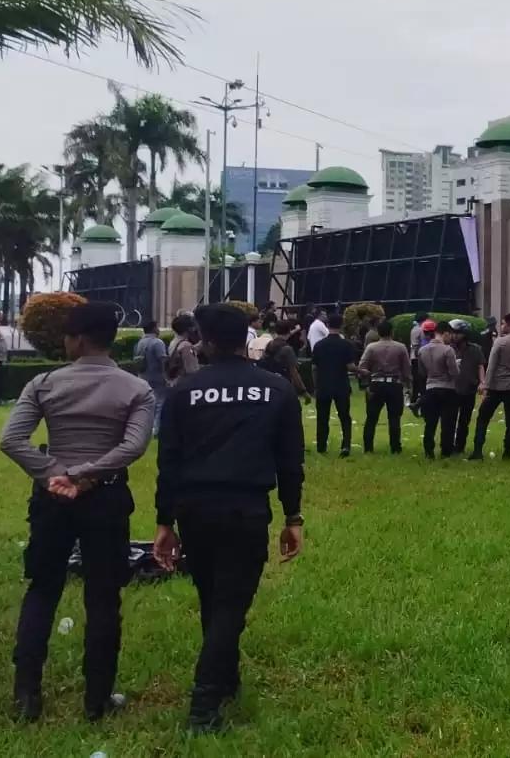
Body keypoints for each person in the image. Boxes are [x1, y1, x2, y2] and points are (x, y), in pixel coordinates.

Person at [152, 303, 304, 732]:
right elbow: (290, 462)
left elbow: (170, 462)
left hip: (195, 511)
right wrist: (293, 517)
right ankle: (204, 707)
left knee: (213, 597)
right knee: (230, 605)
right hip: (246, 510)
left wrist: (164, 522)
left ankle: (225, 679)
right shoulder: (276, 390)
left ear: (210, 342)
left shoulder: (184, 391)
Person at [0, 302, 155, 722]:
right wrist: (87, 474)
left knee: (42, 591)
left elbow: (11, 440)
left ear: (79, 339)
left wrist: (57, 474)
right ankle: (98, 700)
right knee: (104, 597)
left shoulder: (45, 382)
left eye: (67, 336)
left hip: (51, 499)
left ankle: (27, 696)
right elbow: (134, 446)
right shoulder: (135, 389)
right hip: (105, 499)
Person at [468, 312, 510, 462]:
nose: (501, 326)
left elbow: (491, 367)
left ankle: (478, 450)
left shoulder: (500, 342)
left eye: (504, 323)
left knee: (483, 418)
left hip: (497, 387)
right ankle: (507, 453)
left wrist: (486, 386)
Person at [304, 313, 353, 457]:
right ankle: (345, 445)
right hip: (341, 384)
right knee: (344, 416)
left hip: (324, 384)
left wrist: (315, 385)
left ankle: (321, 445)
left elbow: (314, 367)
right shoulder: (346, 344)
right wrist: (360, 371)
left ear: (327, 325)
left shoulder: (319, 345)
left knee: (322, 417)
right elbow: (350, 366)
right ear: (341, 325)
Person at [358, 320, 410, 454]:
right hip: (394, 384)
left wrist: (366, 381)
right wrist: (408, 385)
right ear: (392, 332)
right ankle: (395, 447)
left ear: (378, 333)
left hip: (376, 383)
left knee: (371, 418)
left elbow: (362, 366)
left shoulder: (371, 347)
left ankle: (368, 447)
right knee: (394, 418)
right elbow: (406, 370)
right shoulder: (400, 347)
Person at [416, 323, 461, 459]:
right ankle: (446, 451)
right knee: (448, 422)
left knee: (430, 422)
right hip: (447, 388)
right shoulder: (448, 350)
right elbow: (454, 372)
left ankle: (428, 450)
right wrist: (458, 365)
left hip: (430, 388)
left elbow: (422, 372)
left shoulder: (422, 350)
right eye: (450, 335)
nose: (451, 338)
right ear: (445, 333)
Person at [447, 320, 486, 456]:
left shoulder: (475, 349)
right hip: (451, 389)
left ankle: (460, 446)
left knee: (464, 420)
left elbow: (480, 365)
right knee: (449, 420)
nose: (454, 336)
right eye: (452, 333)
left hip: (468, 389)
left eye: (457, 333)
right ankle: (448, 446)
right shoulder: (447, 349)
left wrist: (482, 382)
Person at [134, 321, 170, 435]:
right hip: (156, 376)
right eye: (157, 327)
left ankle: (145, 428)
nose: (159, 329)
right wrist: (166, 377)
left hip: (142, 376)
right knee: (160, 403)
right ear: (154, 329)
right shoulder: (157, 342)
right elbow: (163, 360)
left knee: (147, 403)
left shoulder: (140, 342)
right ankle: (157, 429)